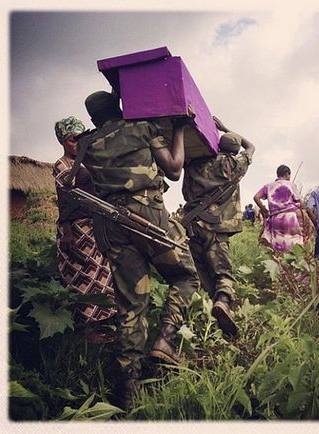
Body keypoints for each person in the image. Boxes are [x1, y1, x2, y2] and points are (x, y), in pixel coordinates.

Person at [80, 91, 200, 410]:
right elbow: (174, 169)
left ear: (92, 118)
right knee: (186, 276)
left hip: (111, 225)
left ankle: (128, 389)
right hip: (148, 215)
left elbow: (82, 179)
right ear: (119, 107)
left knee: (131, 304)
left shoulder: (86, 145)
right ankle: (166, 340)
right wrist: (177, 127)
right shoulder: (140, 128)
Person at [182, 116, 255, 336]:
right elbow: (251, 147)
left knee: (199, 273)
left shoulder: (194, 163)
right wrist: (226, 128)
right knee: (223, 273)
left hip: (192, 226)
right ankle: (223, 302)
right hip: (217, 229)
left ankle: (204, 317)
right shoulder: (233, 164)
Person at [53, 116, 116, 341]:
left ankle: (103, 323)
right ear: (62, 141)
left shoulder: (86, 161)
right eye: (72, 140)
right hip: (76, 228)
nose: (76, 144)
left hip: (94, 225)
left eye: (80, 139)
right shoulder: (62, 165)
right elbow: (64, 200)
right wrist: (68, 234)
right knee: (83, 276)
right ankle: (88, 330)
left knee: (101, 272)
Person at [254, 165, 304, 253]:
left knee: (278, 244)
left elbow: (256, 197)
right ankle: (292, 264)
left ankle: (278, 262)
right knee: (294, 243)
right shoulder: (291, 185)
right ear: (287, 174)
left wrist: (263, 208)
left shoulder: (269, 186)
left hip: (275, 218)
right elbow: (301, 203)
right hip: (290, 218)